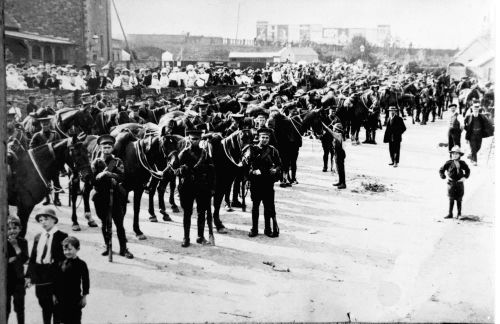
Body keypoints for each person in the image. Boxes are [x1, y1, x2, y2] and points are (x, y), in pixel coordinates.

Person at [91, 134, 134, 258]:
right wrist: (99, 176)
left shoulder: (117, 161)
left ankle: (123, 249)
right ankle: (107, 246)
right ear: (100, 148)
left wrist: (110, 174)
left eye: (109, 147)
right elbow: (92, 179)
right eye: (104, 148)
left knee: (119, 224)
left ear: (112, 148)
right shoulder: (96, 162)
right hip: (101, 196)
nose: (106, 150)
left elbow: (122, 176)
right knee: (104, 224)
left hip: (115, 195)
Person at [25, 208, 68, 324]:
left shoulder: (62, 236)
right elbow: (33, 257)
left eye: (46, 219)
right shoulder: (38, 236)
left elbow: (64, 260)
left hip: (53, 274)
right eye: (40, 220)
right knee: (44, 305)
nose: (43, 222)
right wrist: (28, 275)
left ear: (54, 220)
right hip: (40, 275)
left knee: (56, 305)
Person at [176, 130, 216, 247]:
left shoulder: (204, 153)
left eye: (197, 139)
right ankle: (186, 237)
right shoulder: (183, 154)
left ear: (200, 140)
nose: (195, 141)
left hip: (202, 186)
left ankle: (200, 236)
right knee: (187, 213)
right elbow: (176, 171)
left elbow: (212, 170)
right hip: (188, 186)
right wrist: (182, 170)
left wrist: (212, 187)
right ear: (188, 139)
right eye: (192, 139)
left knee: (201, 212)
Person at [244, 127, 281, 238]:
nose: (264, 139)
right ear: (258, 137)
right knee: (255, 207)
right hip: (256, 183)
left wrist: (276, 170)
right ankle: (254, 229)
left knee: (268, 207)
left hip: (268, 183)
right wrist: (253, 171)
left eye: (266, 137)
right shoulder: (252, 149)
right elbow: (246, 166)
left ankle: (268, 229)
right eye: (262, 137)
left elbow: (279, 164)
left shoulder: (273, 150)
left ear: (269, 138)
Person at [54, 237, 90, 324]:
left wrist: (84, 296)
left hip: (75, 298)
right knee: (59, 319)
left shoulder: (81, 264)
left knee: (74, 320)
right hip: (60, 298)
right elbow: (55, 280)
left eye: (70, 249)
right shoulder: (60, 263)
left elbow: (86, 281)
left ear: (77, 249)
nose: (67, 252)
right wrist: (54, 295)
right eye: (64, 250)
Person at [30, 117, 62, 206]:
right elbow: (31, 148)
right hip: (43, 164)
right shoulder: (36, 135)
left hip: (54, 163)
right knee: (45, 182)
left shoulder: (55, 135)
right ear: (41, 125)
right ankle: (47, 198)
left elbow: (60, 147)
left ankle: (57, 199)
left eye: (47, 124)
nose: (45, 126)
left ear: (49, 124)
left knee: (56, 181)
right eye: (43, 124)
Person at [7, 216, 29, 324]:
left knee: (20, 309)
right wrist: (14, 258)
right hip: (5, 281)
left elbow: (24, 259)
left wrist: (15, 246)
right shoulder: (3, 242)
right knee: (5, 309)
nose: (12, 231)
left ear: (20, 229)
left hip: (19, 279)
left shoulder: (22, 242)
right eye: (9, 229)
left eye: (15, 228)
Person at [439, 146, 470, 219]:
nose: (455, 155)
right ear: (451, 154)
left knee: (459, 198)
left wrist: (465, 177)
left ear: (460, 155)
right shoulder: (448, 163)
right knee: (451, 198)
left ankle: (459, 214)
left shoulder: (462, 163)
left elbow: (468, 170)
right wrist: (443, 175)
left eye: (457, 154)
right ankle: (450, 213)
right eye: (453, 154)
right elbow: (441, 170)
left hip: (459, 183)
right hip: (451, 183)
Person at [464, 101, 494, 166]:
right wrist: (467, 130)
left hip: (479, 134)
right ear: (472, 108)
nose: (476, 109)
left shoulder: (481, 116)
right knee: (473, 147)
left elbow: (488, 123)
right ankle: (475, 161)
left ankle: (471, 155)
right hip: (472, 134)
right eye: (474, 108)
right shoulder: (469, 116)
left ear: (478, 109)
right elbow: (464, 125)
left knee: (478, 147)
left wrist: (493, 128)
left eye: (477, 108)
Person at [332, 123, 346, 189]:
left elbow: (329, 131)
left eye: (334, 128)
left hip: (340, 153)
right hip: (337, 152)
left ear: (337, 130)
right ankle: (340, 181)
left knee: (341, 169)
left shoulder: (338, 135)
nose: (333, 129)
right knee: (338, 168)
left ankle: (343, 183)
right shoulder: (338, 135)